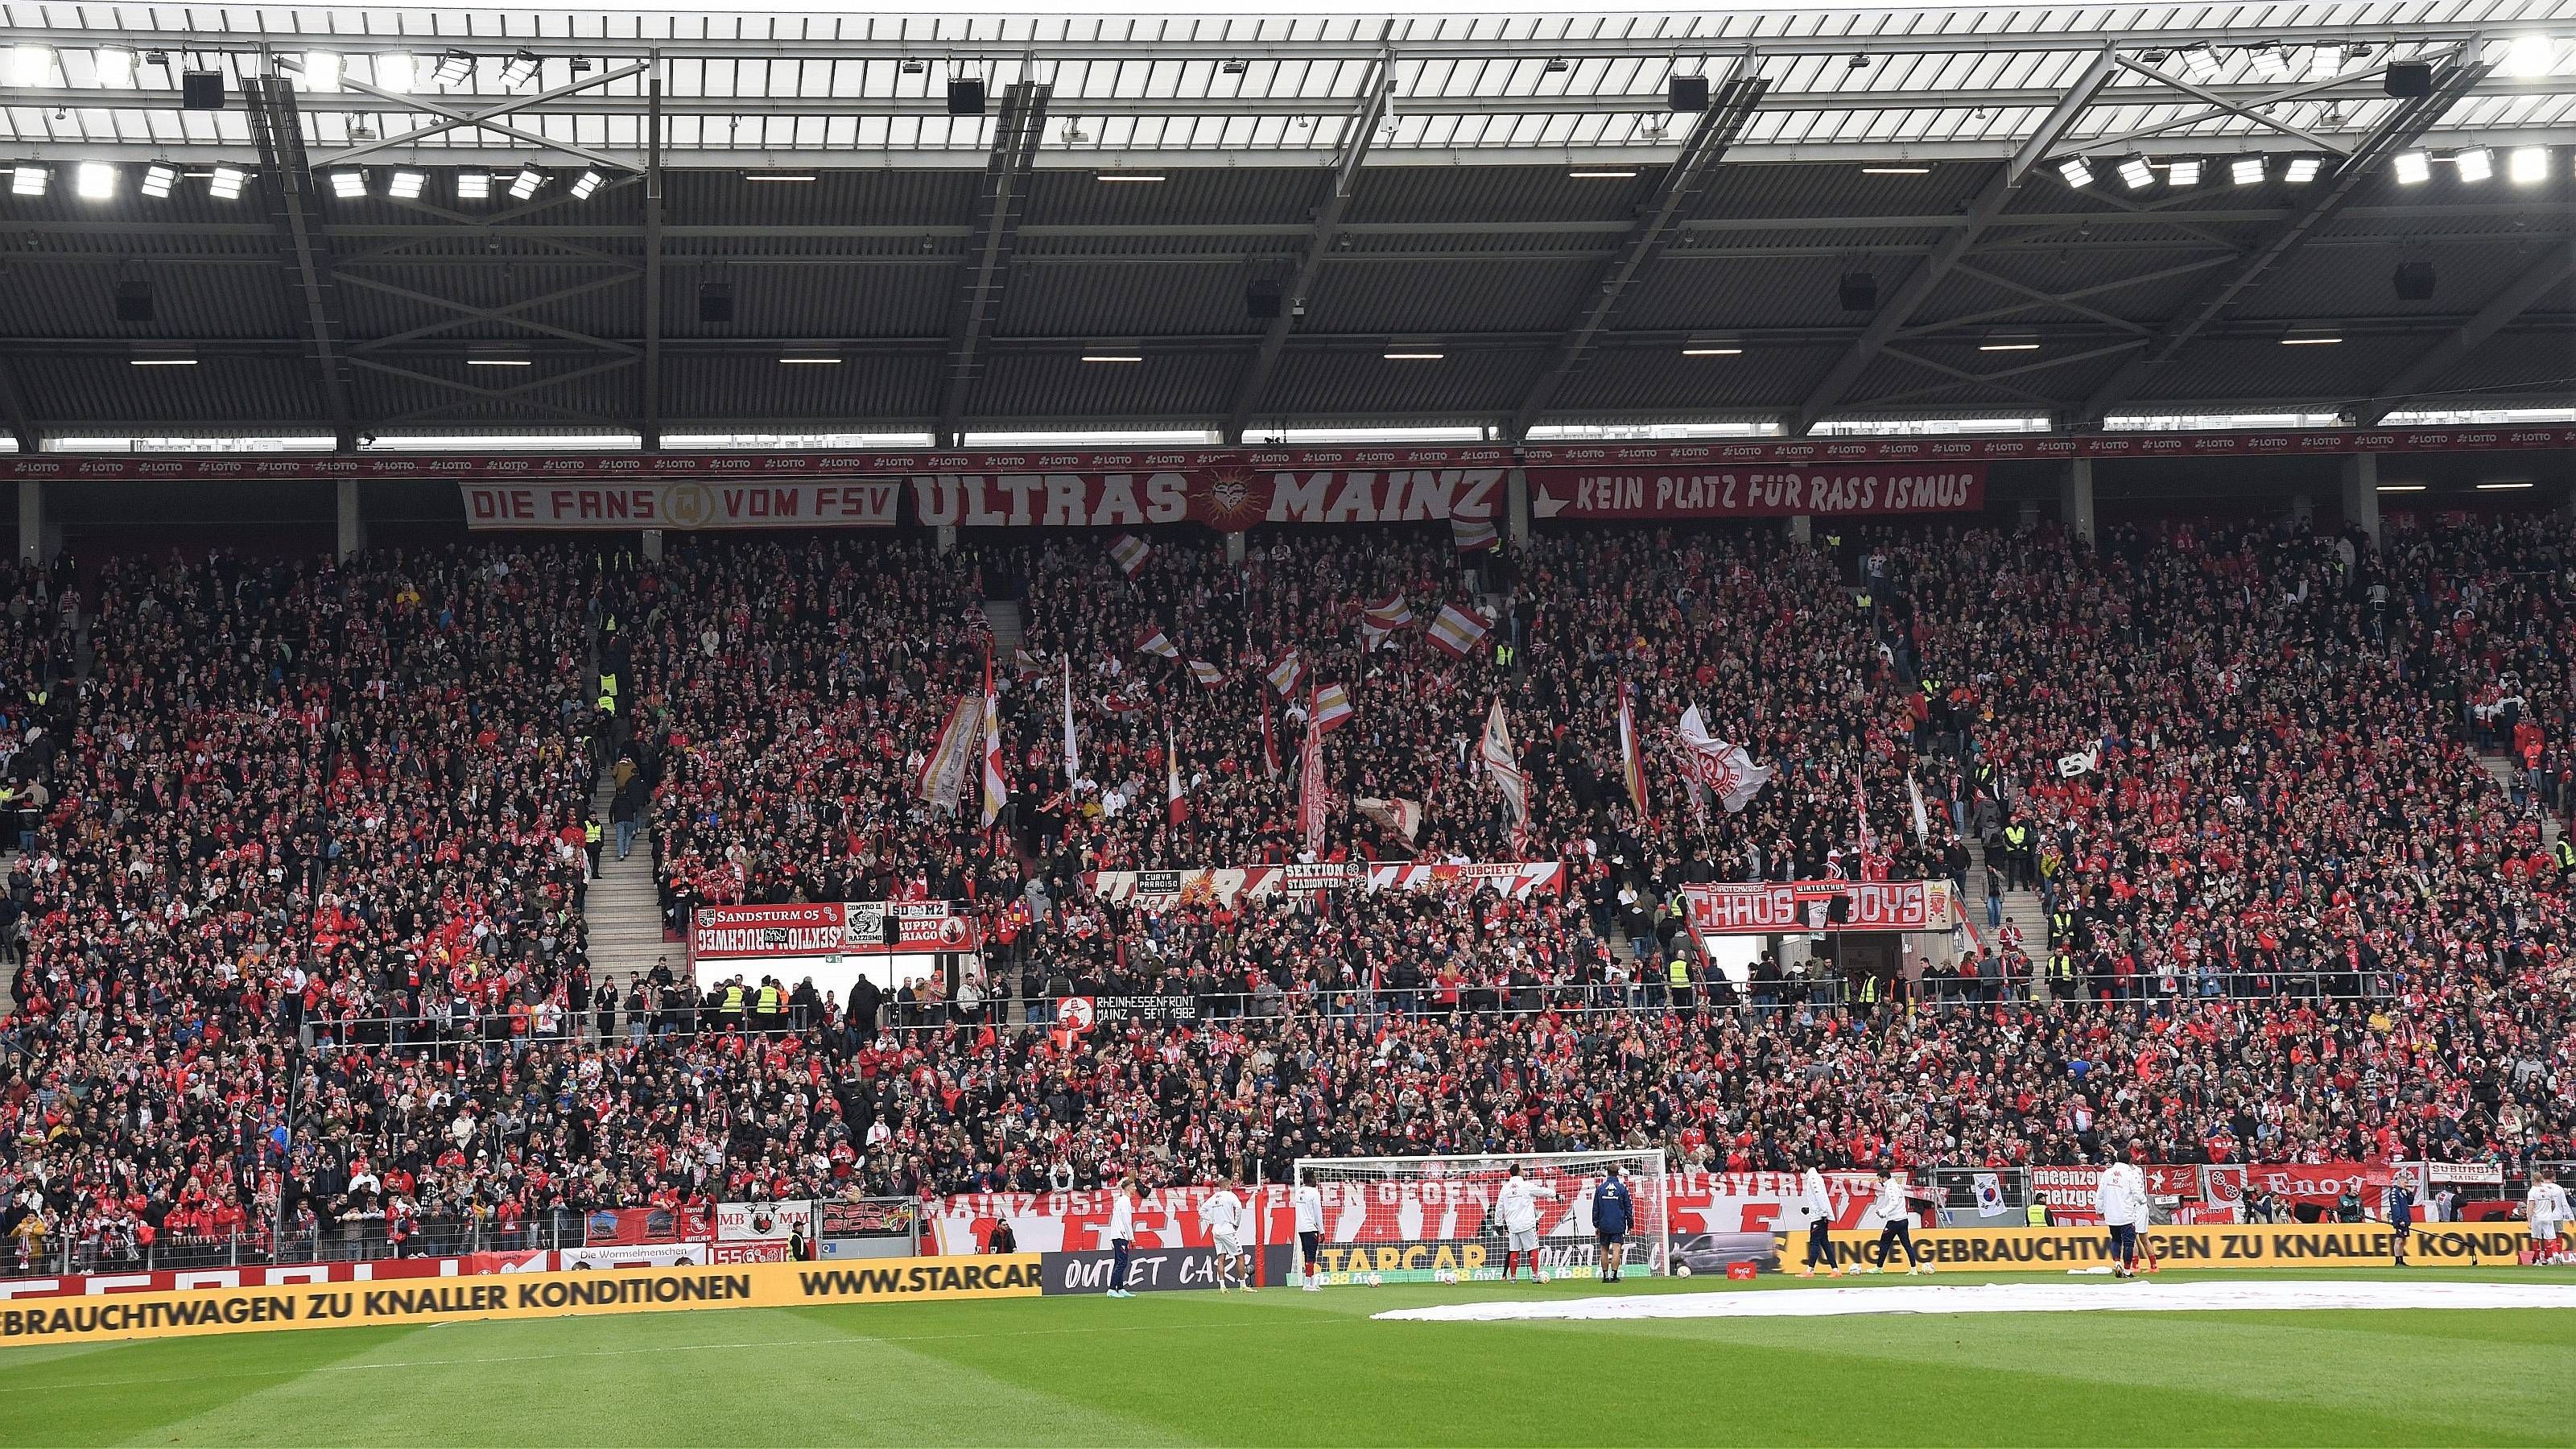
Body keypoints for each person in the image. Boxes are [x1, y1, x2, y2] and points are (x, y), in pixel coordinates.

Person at [1495, 1165, 1555, 1284]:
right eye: (1522, 1169)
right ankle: (1535, 1275)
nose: (1524, 1171)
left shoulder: (1505, 1188)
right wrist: (1554, 1194)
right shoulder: (1526, 1185)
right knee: (1533, 1248)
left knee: (1514, 1250)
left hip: (1512, 1225)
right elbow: (1542, 1191)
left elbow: (1499, 1206)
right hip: (1526, 1223)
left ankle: (1513, 1278)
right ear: (1518, 1172)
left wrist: (1498, 1223)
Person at [2096, 1144, 2148, 1279]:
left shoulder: (2107, 1173)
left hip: (2112, 1215)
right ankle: (2126, 1270)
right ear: (2130, 1159)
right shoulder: (2130, 1174)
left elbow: (2100, 1193)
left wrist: (2099, 1209)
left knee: (2116, 1240)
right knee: (2129, 1243)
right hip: (2126, 1215)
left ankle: (2117, 1262)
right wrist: (2143, 1201)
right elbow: (2138, 1193)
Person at [1867, 1167, 1929, 1275]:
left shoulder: (1890, 1187)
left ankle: (1879, 1268)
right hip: (1903, 1219)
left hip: (1894, 1221)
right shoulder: (1897, 1186)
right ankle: (1914, 1269)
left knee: (1884, 1243)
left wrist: (1883, 1212)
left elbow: (1894, 1202)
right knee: (1907, 1245)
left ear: (1885, 1178)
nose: (1879, 1182)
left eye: (1880, 1179)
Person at [1199, 1175, 1253, 1292]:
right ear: (1226, 1185)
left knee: (1221, 1258)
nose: (1231, 1187)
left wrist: (1212, 1220)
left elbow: (1201, 1211)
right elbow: (1238, 1208)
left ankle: (1222, 1286)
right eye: (1230, 1185)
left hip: (1216, 1230)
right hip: (1227, 1229)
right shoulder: (1230, 1195)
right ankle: (1243, 1285)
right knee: (1240, 1256)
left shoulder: (1214, 1197)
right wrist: (1236, 1223)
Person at [1797, 1157, 1841, 1279]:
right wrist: (1810, 1209)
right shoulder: (1816, 1177)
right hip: (1819, 1213)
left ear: (1806, 1166)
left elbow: (1819, 1195)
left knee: (1815, 1242)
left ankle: (1810, 1270)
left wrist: (1823, 1212)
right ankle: (1835, 1269)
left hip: (1819, 1216)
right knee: (1824, 1243)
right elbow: (1818, 1198)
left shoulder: (1813, 1178)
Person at [1591, 1165, 1634, 1284]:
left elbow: (1596, 1208)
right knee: (1616, 1250)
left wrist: (1596, 1225)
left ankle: (1605, 1276)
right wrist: (1630, 1224)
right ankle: (1614, 1276)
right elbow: (1628, 1208)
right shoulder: (1622, 1188)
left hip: (1604, 1223)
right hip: (1618, 1223)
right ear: (1618, 1174)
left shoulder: (1600, 1188)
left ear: (1607, 1173)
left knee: (1604, 1250)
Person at [2525, 1167, 2571, 1266]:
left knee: (2535, 1238)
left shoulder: (2532, 1191)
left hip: (2537, 1217)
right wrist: (2549, 1211)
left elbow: (2531, 1206)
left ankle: (2537, 1260)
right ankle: (2556, 1255)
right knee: (2551, 1238)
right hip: (2548, 1217)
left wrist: (2529, 1220)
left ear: (2533, 1180)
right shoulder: (2548, 1190)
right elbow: (2553, 1204)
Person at [1106, 1178, 1140, 1298]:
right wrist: (1132, 1238)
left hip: (1118, 1234)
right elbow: (1127, 1221)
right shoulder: (1125, 1201)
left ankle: (1120, 1288)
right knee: (1122, 1263)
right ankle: (1111, 1289)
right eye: (1133, 1186)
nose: (1135, 1188)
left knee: (1119, 1262)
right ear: (1127, 1188)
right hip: (1121, 1235)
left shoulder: (1122, 1200)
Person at [1294, 1176, 1325, 1293]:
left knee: (1308, 1254)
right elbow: (1318, 1212)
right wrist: (1322, 1230)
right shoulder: (1314, 1193)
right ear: (1311, 1180)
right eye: (1315, 1179)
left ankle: (1312, 1283)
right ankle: (1307, 1284)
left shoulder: (1298, 1192)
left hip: (1301, 1227)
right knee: (1311, 1255)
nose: (1316, 1181)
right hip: (1311, 1227)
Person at [2384, 1175, 2417, 1267]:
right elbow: (2395, 1207)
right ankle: (2397, 1261)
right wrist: (2399, 1219)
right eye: (2405, 1183)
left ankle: (2401, 1260)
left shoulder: (2403, 1192)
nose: (2407, 1185)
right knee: (2398, 1240)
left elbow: (2410, 1202)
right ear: (2400, 1182)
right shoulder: (2395, 1192)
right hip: (2400, 1220)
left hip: (2405, 1219)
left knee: (2402, 1240)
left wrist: (2410, 1193)